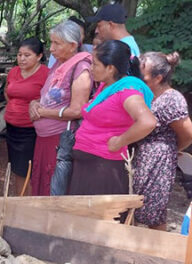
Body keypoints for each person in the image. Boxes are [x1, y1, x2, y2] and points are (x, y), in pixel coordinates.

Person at [68, 40, 157, 195]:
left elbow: (148, 122)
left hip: (103, 168)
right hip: (89, 163)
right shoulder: (107, 86)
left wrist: (119, 142)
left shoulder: (127, 91)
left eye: (95, 64)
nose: (91, 68)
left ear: (110, 68)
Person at [28, 20, 93, 196]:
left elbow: (77, 110)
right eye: (52, 42)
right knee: (42, 185)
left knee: (55, 187)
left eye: (57, 43)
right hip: (44, 139)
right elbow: (48, 96)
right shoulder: (59, 64)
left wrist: (43, 112)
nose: (51, 48)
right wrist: (34, 103)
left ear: (72, 45)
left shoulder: (81, 69)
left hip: (59, 141)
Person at [133, 52, 192, 230]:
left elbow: (188, 134)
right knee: (134, 208)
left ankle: (157, 246)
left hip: (158, 162)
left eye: (143, 76)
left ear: (158, 78)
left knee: (154, 213)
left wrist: (172, 150)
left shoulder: (172, 99)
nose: (139, 79)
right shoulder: (145, 94)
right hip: (140, 158)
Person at [4, 37, 49, 195]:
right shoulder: (14, 72)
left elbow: (51, 99)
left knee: (27, 169)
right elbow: (7, 92)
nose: (22, 58)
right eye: (19, 54)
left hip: (31, 130)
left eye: (27, 55)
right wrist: (15, 108)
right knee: (17, 169)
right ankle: (20, 199)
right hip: (12, 128)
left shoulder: (46, 74)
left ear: (39, 56)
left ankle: (27, 203)